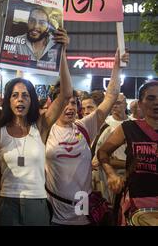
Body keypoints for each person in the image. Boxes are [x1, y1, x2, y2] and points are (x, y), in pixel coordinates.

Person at [0, 28, 72, 226]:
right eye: (15, 95)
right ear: (8, 101)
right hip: (6, 204)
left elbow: (66, 94)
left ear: (32, 100)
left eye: (25, 95)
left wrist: (62, 53)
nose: (20, 99)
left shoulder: (41, 126)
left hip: (37, 204)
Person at [45, 50, 128, 226]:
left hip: (85, 216)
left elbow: (111, 97)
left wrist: (116, 67)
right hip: (54, 215)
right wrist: (61, 52)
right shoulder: (45, 130)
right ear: (53, 104)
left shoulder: (84, 127)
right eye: (65, 102)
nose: (70, 107)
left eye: (74, 103)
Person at [97, 81, 158, 226]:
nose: (157, 102)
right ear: (140, 104)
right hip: (136, 202)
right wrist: (111, 174)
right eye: (151, 98)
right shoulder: (129, 128)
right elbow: (102, 152)